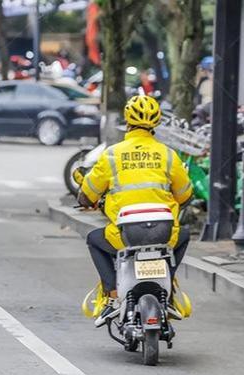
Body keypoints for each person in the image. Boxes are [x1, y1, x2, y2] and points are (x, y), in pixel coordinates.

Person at [77, 95, 193, 327]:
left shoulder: (111, 155)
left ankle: (111, 295)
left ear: (127, 123)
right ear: (156, 124)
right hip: (164, 235)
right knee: (185, 234)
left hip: (124, 236)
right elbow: (185, 195)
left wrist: (88, 194)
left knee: (94, 239)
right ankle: (167, 287)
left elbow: (86, 196)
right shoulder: (168, 155)